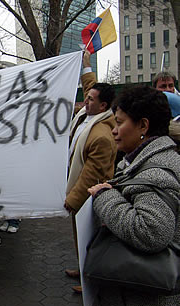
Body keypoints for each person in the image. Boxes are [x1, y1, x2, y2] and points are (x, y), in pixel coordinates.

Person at [88, 85, 180, 306]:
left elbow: (151, 232)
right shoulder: (146, 161)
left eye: (120, 123)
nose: (114, 131)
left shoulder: (156, 174)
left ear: (143, 126)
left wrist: (104, 197)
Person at [64, 51, 117, 293]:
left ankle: (91, 282)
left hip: (89, 196)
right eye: (87, 97)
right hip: (80, 191)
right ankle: (82, 266)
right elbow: (91, 87)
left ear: (104, 106)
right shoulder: (91, 112)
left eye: (92, 99)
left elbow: (91, 173)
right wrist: (86, 66)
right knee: (80, 236)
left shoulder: (102, 135)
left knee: (91, 238)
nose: (86, 100)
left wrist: (73, 200)